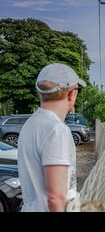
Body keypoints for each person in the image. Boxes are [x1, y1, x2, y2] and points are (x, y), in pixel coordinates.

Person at [18, 63, 86, 212]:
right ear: (72, 94)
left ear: (40, 93)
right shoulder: (57, 130)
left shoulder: (30, 124)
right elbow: (56, 199)